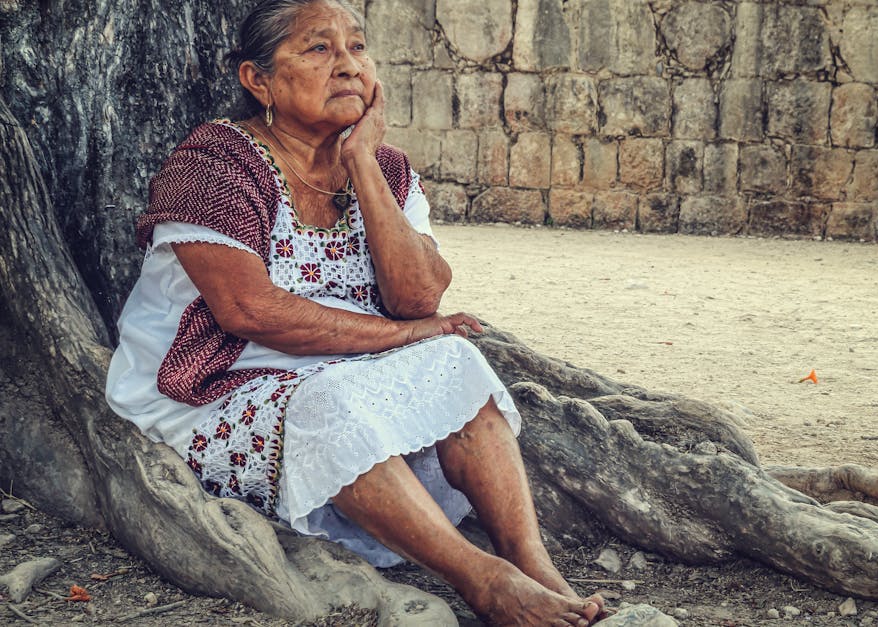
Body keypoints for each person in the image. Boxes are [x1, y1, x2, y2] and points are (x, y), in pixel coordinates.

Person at [105, 1, 603, 624]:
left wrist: (362, 162)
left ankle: (533, 564)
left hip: (343, 367)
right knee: (330, 404)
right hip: (214, 389)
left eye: (358, 48)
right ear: (257, 80)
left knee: (455, 360)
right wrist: (402, 335)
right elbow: (249, 312)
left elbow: (419, 299)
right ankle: (483, 580)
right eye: (318, 49)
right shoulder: (213, 165)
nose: (347, 66)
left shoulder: (388, 170)